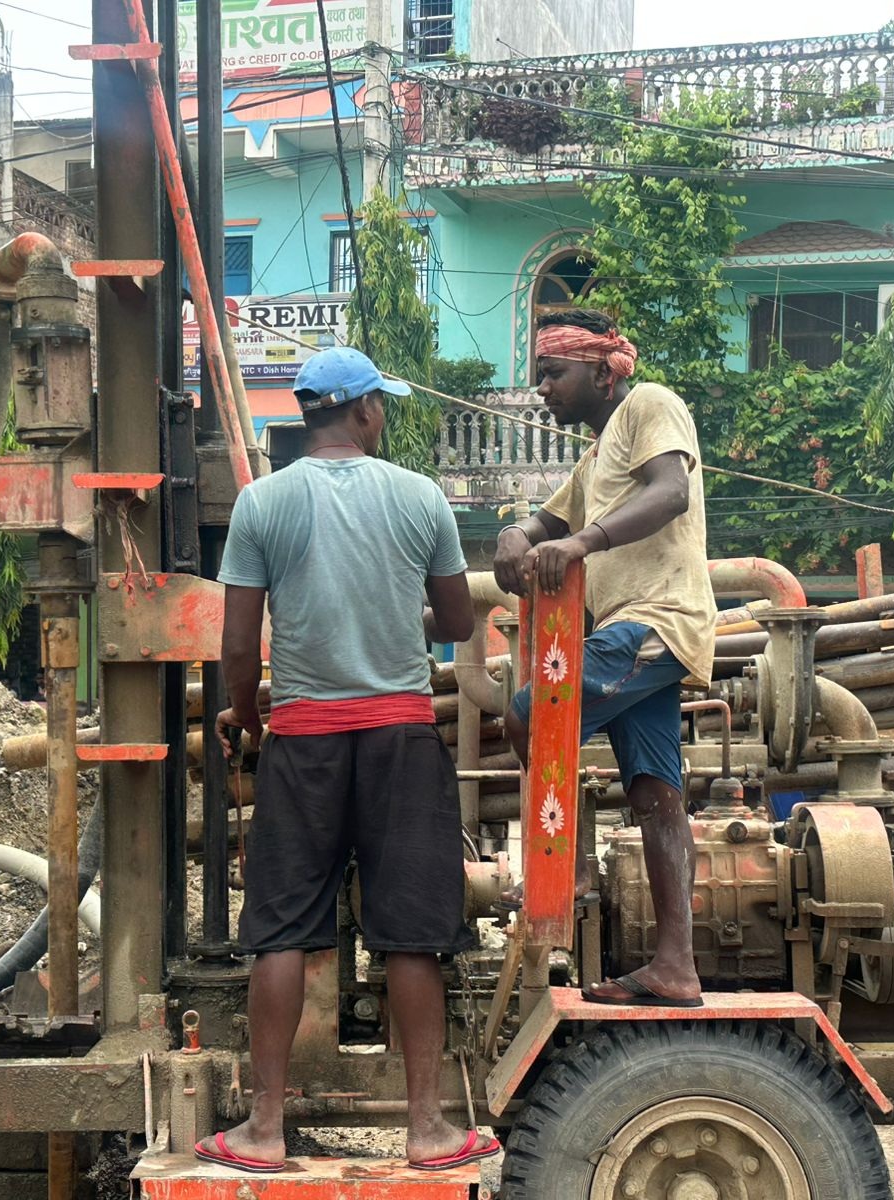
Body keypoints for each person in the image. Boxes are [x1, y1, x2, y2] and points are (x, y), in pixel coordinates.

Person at [201, 346, 497, 1174]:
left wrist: (247, 716)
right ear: (364, 410)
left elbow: (238, 646)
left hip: (303, 740)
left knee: (282, 932)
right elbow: (458, 623)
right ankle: (427, 1128)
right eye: (382, 405)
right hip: (401, 737)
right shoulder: (419, 496)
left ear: (308, 415)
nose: (383, 416)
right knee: (410, 935)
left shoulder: (262, 503)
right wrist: (398, 610)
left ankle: (263, 1129)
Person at [495, 310, 717, 1007]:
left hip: (657, 620)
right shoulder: (594, 458)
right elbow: (545, 522)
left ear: (600, 371)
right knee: (655, 795)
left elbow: (670, 492)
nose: (542, 390)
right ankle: (675, 967)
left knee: (530, 714)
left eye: (552, 374)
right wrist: (514, 536)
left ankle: (574, 866)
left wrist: (582, 544)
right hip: (635, 627)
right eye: (539, 376)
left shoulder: (650, 404)